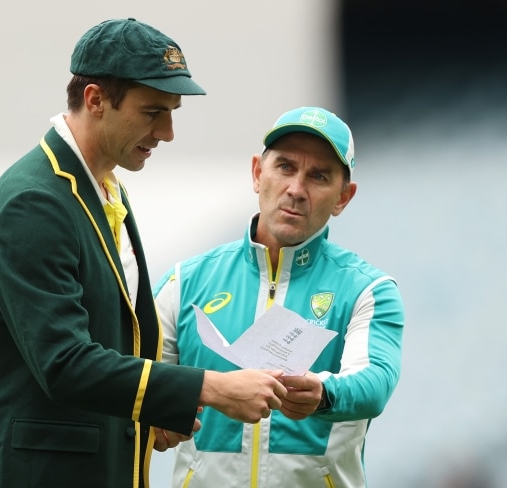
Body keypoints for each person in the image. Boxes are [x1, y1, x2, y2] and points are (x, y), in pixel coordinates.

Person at [0, 18, 288, 488]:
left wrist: (158, 407)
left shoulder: (102, 186)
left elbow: (115, 346)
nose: (169, 132)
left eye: (172, 112)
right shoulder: (32, 202)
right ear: (94, 100)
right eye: (153, 112)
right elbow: (66, 364)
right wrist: (209, 387)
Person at [153, 106, 405, 488]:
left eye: (318, 176)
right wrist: (155, 418)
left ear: (343, 197)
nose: (296, 189)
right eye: (285, 167)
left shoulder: (367, 290)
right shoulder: (184, 282)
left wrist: (323, 395)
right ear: (258, 173)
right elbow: (139, 381)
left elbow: (375, 381)